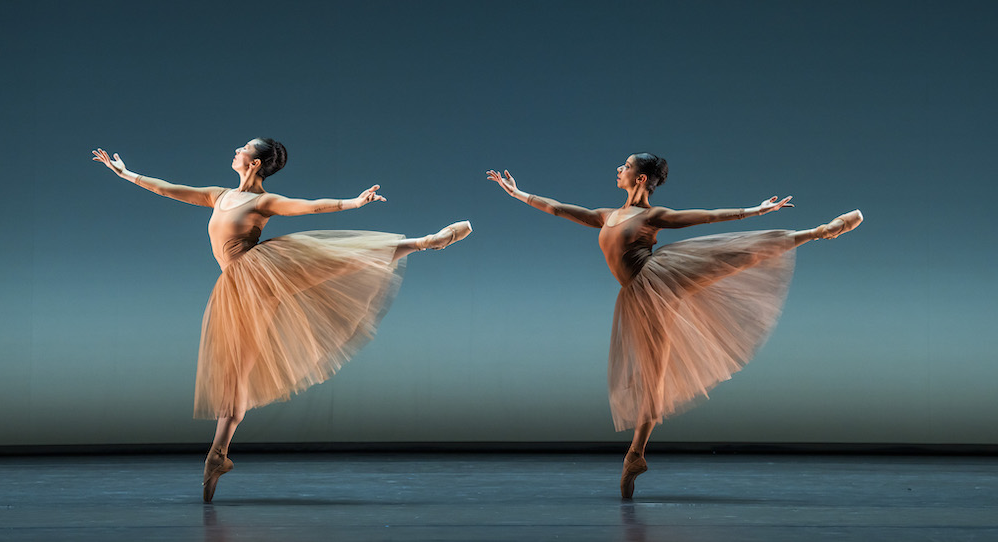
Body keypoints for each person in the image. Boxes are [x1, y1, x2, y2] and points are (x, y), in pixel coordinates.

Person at [93, 138, 471, 502]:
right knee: (236, 373)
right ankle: (217, 455)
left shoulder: (263, 201)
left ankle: (425, 242)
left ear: (254, 163)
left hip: (260, 272)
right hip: (238, 287)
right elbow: (170, 189)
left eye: (243, 148)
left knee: (334, 257)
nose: (236, 150)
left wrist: (353, 203)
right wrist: (126, 174)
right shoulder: (219, 195)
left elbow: (309, 207)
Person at [487, 153, 861, 499]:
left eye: (626, 164)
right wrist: (518, 193)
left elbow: (708, 217)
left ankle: (818, 232)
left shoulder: (652, 217)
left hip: (660, 276)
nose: (619, 168)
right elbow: (556, 208)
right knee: (653, 379)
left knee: (729, 256)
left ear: (641, 177)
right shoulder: (606, 214)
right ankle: (636, 454)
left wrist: (756, 211)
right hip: (638, 297)